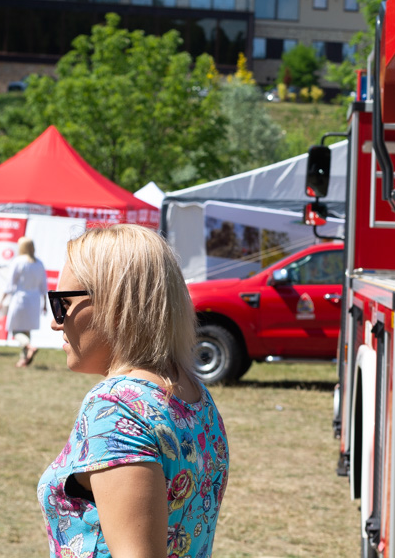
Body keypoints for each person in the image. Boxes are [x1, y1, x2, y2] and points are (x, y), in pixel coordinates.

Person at [37, 224, 229, 558]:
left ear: (115, 303)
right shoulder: (194, 394)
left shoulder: (115, 407)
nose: (56, 321)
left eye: (63, 303)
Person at [0, 237, 47, 367]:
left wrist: (1, 300)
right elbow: (43, 286)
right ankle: (24, 359)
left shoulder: (18, 262)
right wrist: (45, 303)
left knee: (16, 330)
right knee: (27, 330)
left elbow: (10, 284)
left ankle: (29, 347)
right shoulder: (39, 263)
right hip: (34, 300)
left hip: (20, 299)